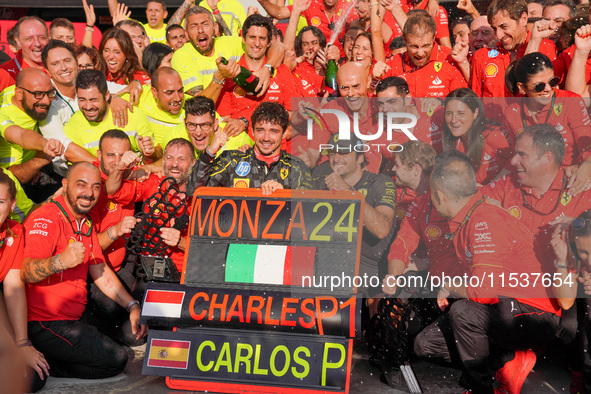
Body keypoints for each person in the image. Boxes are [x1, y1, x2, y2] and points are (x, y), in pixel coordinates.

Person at [414, 152, 563, 394]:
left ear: (439, 195)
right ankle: (508, 358)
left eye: (431, 195)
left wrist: (451, 286)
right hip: (503, 309)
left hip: (536, 314)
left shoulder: (484, 220)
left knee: (463, 311)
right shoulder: (471, 215)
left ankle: (479, 388)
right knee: (426, 344)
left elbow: (481, 292)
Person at [20, 162, 148, 381]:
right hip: (44, 322)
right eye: (82, 185)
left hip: (74, 317)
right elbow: (25, 272)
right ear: (65, 184)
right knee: (115, 359)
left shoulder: (84, 223)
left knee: (128, 338)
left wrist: (132, 305)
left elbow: (100, 271)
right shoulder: (47, 217)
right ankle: (49, 366)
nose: (89, 193)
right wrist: (59, 262)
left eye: (96, 186)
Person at [314, 133, 397, 296]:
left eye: (344, 152)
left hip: (370, 275)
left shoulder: (380, 182)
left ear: (360, 158)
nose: (336, 158)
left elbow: (382, 228)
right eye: (332, 153)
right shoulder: (321, 185)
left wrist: (348, 192)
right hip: (329, 270)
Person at [504, 52, 591, 194]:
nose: (548, 89)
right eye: (539, 86)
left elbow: (587, 144)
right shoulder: (513, 113)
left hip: (572, 179)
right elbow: (518, 158)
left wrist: (586, 165)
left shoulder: (570, 101)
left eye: (553, 82)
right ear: (521, 87)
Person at [105, 138, 197, 272]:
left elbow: (212, 250)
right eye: (170, 158)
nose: (174, 164)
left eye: (182, 159)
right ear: (163, 161)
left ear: (193, 163)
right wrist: (120, 168)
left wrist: (181, 242)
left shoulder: (202, 194)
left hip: (187, 271)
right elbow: (111, 191)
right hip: (150, 267)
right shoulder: (151, 183)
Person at [187, 101, 312, 194]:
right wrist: (210, 152)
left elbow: (308, 211)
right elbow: (194, 191)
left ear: (285, 133)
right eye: (260, 130)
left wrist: (284, 194)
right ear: (252, 131)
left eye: (274, 131)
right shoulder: (232, 161)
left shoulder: (296, 167)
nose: (266, 138)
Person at [215, 14, 295, 148]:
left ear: (269, 42)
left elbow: (296, 115)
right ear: (243, 38)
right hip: (242, 151)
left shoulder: (281, 72)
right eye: (252, 37)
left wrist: (287, 131)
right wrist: (241, 123)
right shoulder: (230, 74)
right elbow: (224, 117)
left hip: (277, 153)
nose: (257, 44)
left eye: (262, 38)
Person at [0, 172, 49, 392]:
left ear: (12, 204)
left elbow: (13, 288)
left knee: (31, 377)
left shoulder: (14, 232)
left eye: (0, 202)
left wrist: (22, 344)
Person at [64, 69, 160, 162]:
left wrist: (149, 154)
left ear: (106, 96)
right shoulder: (72, 127)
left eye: (93, 100)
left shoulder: (133, 114)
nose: (88, 107)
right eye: (82, 100)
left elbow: (157, 155)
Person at [0, 68, 65, 198]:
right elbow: (21, 135)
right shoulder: (4, 115)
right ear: (19, 94)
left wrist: (115, 98)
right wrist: (42, 152)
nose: (46, 101)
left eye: (49, 93)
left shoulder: (19, 90)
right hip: (13, 181)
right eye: (39, 94)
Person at [470, 0, 557, 98]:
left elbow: (551, 95)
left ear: (523, 19)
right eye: (494, 28)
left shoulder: (545, 47)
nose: (498, 35)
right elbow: (476, 102)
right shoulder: (482, 56)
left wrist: (535, 41)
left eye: (504, 26)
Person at [39, 40, 100, 177]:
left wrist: (119, 98)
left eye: (67, 60)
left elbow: (119, 89)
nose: (63, 67)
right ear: (47, 71)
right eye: (55, 64)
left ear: (76, 63)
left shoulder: (89, 85)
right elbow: (66, 149)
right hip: (65, 177)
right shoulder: (47, 102)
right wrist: (103, 168)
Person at [551, 211, 591, 394]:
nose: (589, 260)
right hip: (579, 298)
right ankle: (579, 373)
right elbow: (566, 302)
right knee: (568, 326)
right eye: (583, 252)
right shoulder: (571, 247)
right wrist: (561, 261)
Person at [383, 11, 467, 98]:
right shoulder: (394, 64)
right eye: (414, 46)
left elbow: (462, 102)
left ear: (434, 37)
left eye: (426, 46)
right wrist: (374, 81)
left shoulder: (449, 59)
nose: (420, 53)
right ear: (405, 40)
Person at [171, 6, 251, 98]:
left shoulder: (232, 43)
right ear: (186, 34)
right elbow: (200, 105)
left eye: (205, 24)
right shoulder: (181, 56)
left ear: (215, 28)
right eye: (194, 26)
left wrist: (267, 68)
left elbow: (267, 44)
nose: (200, 30)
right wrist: (220, 76)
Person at [442, 88, 513, 185]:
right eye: (449, 113)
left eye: (461, 113)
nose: (454, 120)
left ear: (475, 113)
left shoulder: (493, 134)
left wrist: (490, 187)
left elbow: (518, 163)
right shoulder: (454, 141)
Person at [162, 96, 253, 155]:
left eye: (204, 125)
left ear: (215, 124)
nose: (198, 132)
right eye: (192, 125)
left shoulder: (238, 139)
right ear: (185, 124)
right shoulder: (172, 140)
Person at [134, 67, 185, 146]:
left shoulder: (190, 105)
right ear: (154, 92)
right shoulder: (141, 95)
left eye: (180, 91)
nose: (177, 98)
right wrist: (115, 99)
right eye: (169, 93)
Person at [0, 16, 49, 81]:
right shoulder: (5, 72)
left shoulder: (60, 68)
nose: (37, 44)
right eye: (29, 39)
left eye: (42, 37)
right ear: (18, 41)